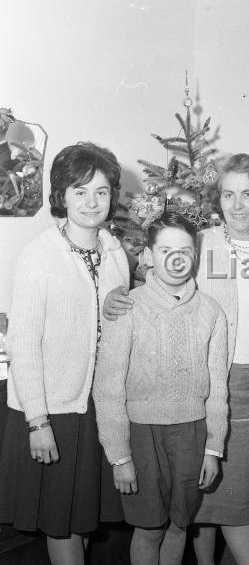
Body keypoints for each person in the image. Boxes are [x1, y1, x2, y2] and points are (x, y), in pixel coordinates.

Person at [103, 153, 249, 565]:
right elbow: (153, 285)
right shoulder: (200, 242)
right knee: (183, 515)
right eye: (228, 194)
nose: (238, 204)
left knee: (237, 505)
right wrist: (114, 295)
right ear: (218, 199)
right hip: (193, 393)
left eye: (248, 193)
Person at [0, 142, 130, 565]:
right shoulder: (41, 255)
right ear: (62, 195)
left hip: (99, 405)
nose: (92, 202)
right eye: (80, 191)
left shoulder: (113, 251)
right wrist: (37, 421)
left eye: (101, 191)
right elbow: (23, 345)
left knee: (85, 518)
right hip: (53, 408)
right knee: (62, 522)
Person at [93, 212, 229, 565]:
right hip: (142, 435)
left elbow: (217, 390)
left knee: (180, 524)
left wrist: (213, 448)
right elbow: (107, 387)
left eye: (184, 249)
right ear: (149, 256)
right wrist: (119, 456)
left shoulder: (212, 312)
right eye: (166, 249)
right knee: (149, 528)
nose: (176, 257)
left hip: (192, 433)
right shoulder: (128, 308)